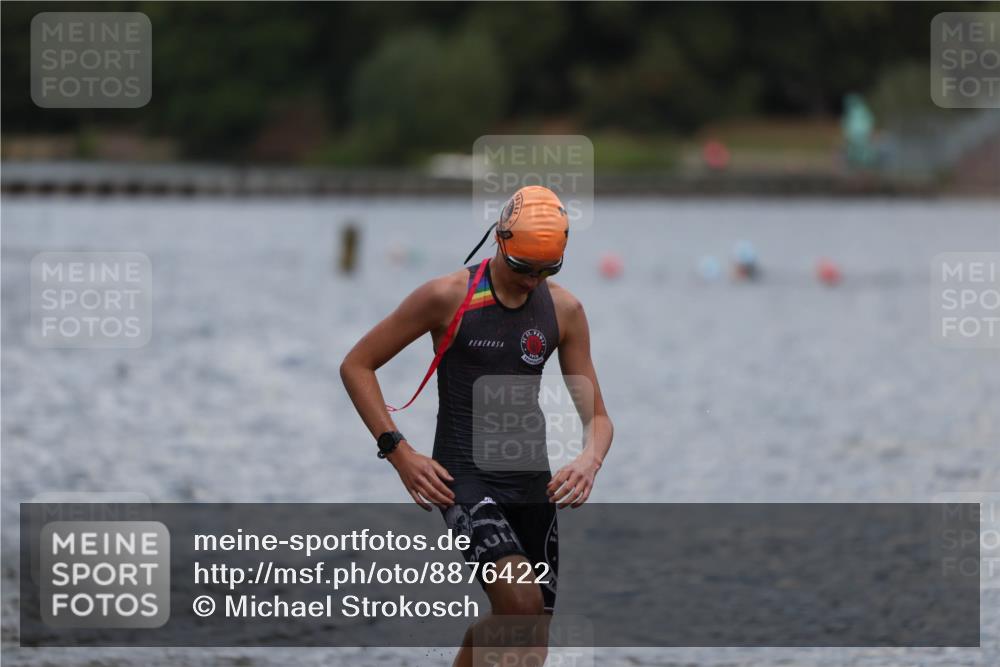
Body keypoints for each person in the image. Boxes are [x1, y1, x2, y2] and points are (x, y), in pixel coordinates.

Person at [340, 185, 614, 666]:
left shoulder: (564, 311)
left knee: (530, 645)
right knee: (520, 607)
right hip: (464, 478)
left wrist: (590, 459)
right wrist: (399, 453)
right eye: (524, 267)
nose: (533, 281)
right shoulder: (447, 297)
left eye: (546, 270)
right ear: (500, 241)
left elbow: (599, 418)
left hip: (532, 484)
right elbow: (357, 365)